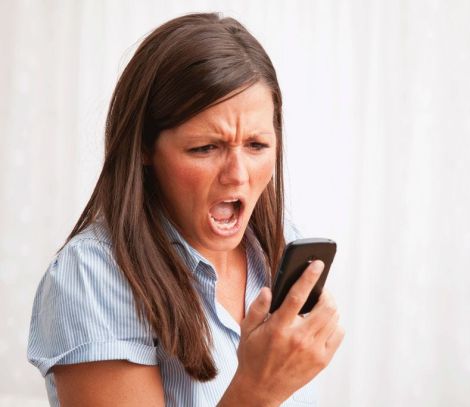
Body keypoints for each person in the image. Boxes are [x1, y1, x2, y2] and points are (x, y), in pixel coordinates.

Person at [27, 12, 344, 406]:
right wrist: (259, 390)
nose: (238, 175)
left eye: (256, 145)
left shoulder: (278, 245)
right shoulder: (93, 276)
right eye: (205, 148)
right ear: (144, 148)